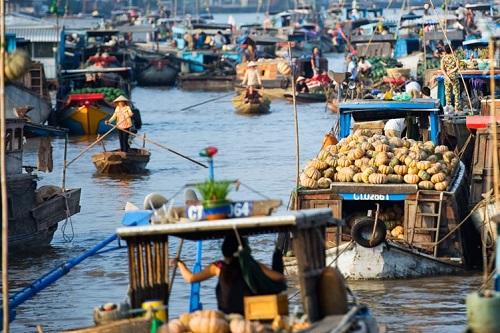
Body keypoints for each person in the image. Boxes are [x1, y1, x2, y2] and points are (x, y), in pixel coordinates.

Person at [169, 235, 285, 315]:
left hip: (226, 317)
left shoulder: (218, 267)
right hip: (249, 316)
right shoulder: (252, 266)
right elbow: (279, 277)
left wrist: (180, 263)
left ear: (225, 249)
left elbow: (191, 278)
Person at [440, 44, 461, 111]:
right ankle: (457, 108)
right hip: (454, 76)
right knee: (457, 92)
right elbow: (457, 67)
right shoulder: (455, 57)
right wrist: (451, 71)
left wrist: (447, 75)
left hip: (446, 77)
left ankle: (448, 108)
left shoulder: (443, 58)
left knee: (448, 93)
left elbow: (442, 69)